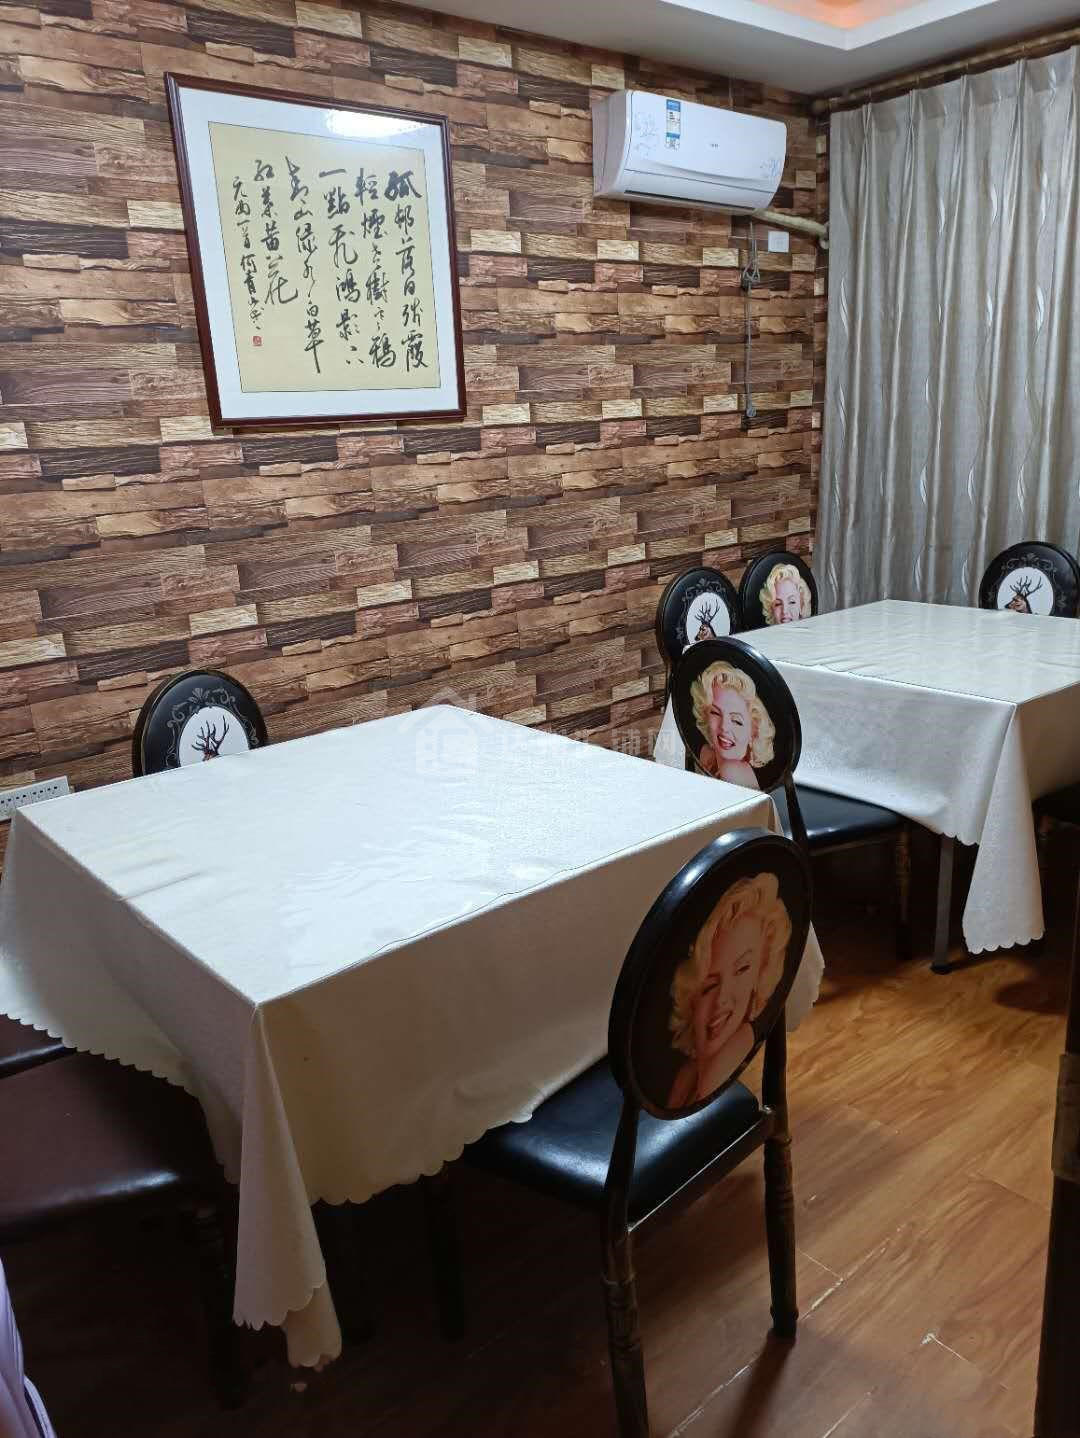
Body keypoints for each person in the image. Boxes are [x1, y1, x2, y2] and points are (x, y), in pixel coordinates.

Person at [667, 872, 792, 1108]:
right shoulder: (688, 1074)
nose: (722, 999)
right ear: (689, 997)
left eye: (742, 969)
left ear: (762, 973)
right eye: (709, 986)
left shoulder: (736, 1045)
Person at [689, 661, 775, 789]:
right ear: (705, 715)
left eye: (737, 721)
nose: (724, 727)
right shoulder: (708, 755)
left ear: (754, 732)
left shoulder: (732, 770)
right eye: (715, 713)